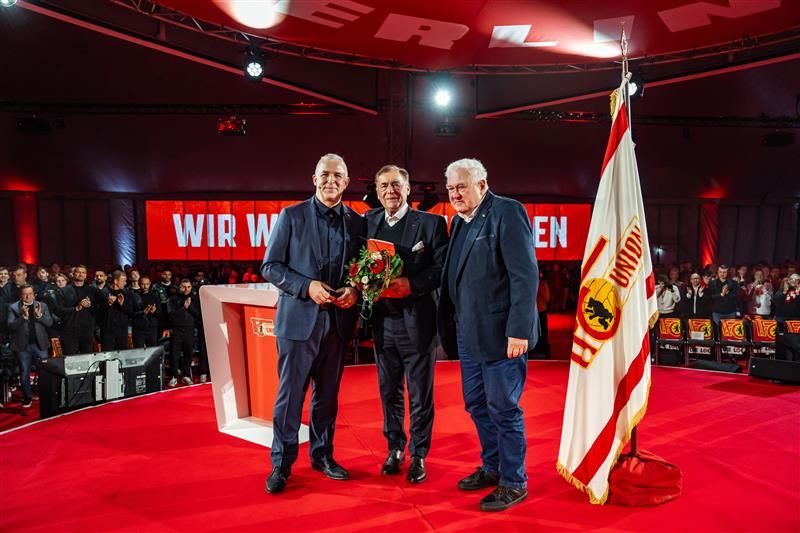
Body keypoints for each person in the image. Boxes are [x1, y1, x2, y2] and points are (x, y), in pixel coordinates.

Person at [437, 158, 538, 512]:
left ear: (482, 185)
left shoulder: (507, 212)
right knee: (477, 404)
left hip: (502, 335)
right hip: (468, 333)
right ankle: (492, 466)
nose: (455, 194)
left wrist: (518, 330)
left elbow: (524, 275)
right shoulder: (458, 222)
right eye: (450, 188)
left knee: (503, 407)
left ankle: (514, 481)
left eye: (461, 186)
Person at [260, 153, 365, 494]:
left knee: (328, 397)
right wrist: (307, 286)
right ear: (314, 178)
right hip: (297, 322)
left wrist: (355, 289)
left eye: (338, 175)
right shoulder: (291, 216)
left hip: (338, 323)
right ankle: (281, 464)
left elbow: (362, 270)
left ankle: (322, 456)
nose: (331, 180)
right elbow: (271, 266)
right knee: (290, 396)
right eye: (325, 174)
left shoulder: (357, 222)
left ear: (346, 182)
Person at [365, 164, 448, 483]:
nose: (391, 190)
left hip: (418, 323)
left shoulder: (431, 223)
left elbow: (441, 269)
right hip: (382, 323)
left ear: (408, 188)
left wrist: (411, 285)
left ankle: (420, 454)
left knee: (419, 394)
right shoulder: (368, 222)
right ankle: (395, 448)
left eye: (396, 184)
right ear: (377, 190)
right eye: (384, 185)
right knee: (389, 392)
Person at [7, 285, 53, 408]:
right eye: (25, 294)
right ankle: (27, 397)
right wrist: (23, 317)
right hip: (22, 346)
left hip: (40, 344)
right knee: (24, 371)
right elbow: (10, 326)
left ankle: (45, 394)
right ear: (20, 295)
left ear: (34, 294)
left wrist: (39, 316)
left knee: (44, 371)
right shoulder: (13, 307)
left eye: (30, 293)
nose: (28, 296)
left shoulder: (42, 306)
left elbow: (49, 322)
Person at [53, 265, 101, 355]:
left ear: (86, 275)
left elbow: (98, 310)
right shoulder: (64, 291)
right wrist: (75, 308)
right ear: (73, 274)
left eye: (83, 272)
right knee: (71, 359)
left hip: (87, 330)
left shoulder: (92, 290)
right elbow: (58, 311)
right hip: (69, 331)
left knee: (87, 358)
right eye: (78, 272)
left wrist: (89, 306)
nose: (81, 274)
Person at [166, 279, 202, 387]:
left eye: (188, 287)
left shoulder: (195, 299)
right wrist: (183, 307)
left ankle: (186, 375)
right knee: (174, 354)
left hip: (190, 330)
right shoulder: (173, 299)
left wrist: (189, 307)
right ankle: (174, 376)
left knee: (188, 354)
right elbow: (170, 314)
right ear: (179, 287)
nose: (186, 289)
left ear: (191, 288)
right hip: (176, 330)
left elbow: (198, 315)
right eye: (184, 287)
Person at [99, 270, 134, 350]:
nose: (125, 283)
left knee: (122, 354)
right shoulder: (103, 293)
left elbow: (131, 312)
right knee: (107, 355)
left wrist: (121, 304)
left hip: (122, 331)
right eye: (123, 281)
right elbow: (99, 313)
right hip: (108, 331)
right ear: (115, 281)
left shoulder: (127, 293)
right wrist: (109, 304)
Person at [132, 276, 162, 348]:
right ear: (139, 284)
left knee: (152, 351)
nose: (145, 286)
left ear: (150, 284)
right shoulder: (134, 296)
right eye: (143, 284)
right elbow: (131, 313)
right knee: (138, 351)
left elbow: (160, 314)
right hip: (138, 329)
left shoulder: (155, 296)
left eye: (147, 284)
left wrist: (154, 311)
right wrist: (142, 312)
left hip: (152, 328)